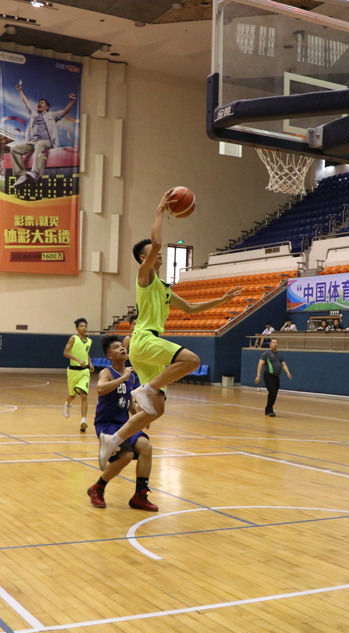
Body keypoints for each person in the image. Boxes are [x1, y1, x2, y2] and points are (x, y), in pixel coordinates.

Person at [96, 189, 243, 470]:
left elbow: (191, 309)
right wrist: (160, 210)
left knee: (156, 409)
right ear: (144, 258)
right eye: (152, 253)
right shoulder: (145, 277)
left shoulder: (163, 288)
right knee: (192, 361)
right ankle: (147, 388)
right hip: (143, 339)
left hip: (146, 349)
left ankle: (113, 440)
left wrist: (222, 300)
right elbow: (156, 242)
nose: (158, 253)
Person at [86, 335, 157, 512]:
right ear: (109, 355)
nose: (122, 348)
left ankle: (140, 496)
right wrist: (123, 377)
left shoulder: (131, 376)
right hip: (107, 424)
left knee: (146, 447)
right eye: (116, 347)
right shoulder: (107, 372)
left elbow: (129, 402)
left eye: (122, 346)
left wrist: (139, 416)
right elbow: (100, 388)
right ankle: (98, 487)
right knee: (125, 456)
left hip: (124, 424)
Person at [11, 81, 77, 188]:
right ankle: (21, 174)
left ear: (47, 107)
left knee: (40, 144)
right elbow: (26, 103)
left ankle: (35, 173)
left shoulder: (52, 115)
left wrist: (72, 101)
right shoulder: (33, 114)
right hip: (32, 142)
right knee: (14, 149)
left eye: (42, 102)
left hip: (47, 142)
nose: (39, 104)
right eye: (39, 102)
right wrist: (19, 91)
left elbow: (65, 111)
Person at [63, 317, 94, 432]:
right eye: (81, 326)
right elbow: (65, 353)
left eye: (85, 326)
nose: (84, 328)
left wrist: (90, 363)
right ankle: (68, 403)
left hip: (84, 371)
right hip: (73, 371)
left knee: (84, 395)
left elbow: (86, 353)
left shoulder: (89, 341)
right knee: (72, 395)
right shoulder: (73, 338)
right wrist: (78, 360)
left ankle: (83, 420)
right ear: (77, 328)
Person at [254, 337, 292, 417]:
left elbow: (283, 364)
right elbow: (260, 364)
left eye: (276, 343)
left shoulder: (280, 355)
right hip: (268, 375)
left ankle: (268, 408)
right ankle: (270, 410)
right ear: (270, 344)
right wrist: (258, 376)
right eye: (273, 343)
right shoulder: (266, 354)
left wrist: (288, 372)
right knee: (272, 391)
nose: (275, 344)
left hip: (276, 376)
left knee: (274, 393)